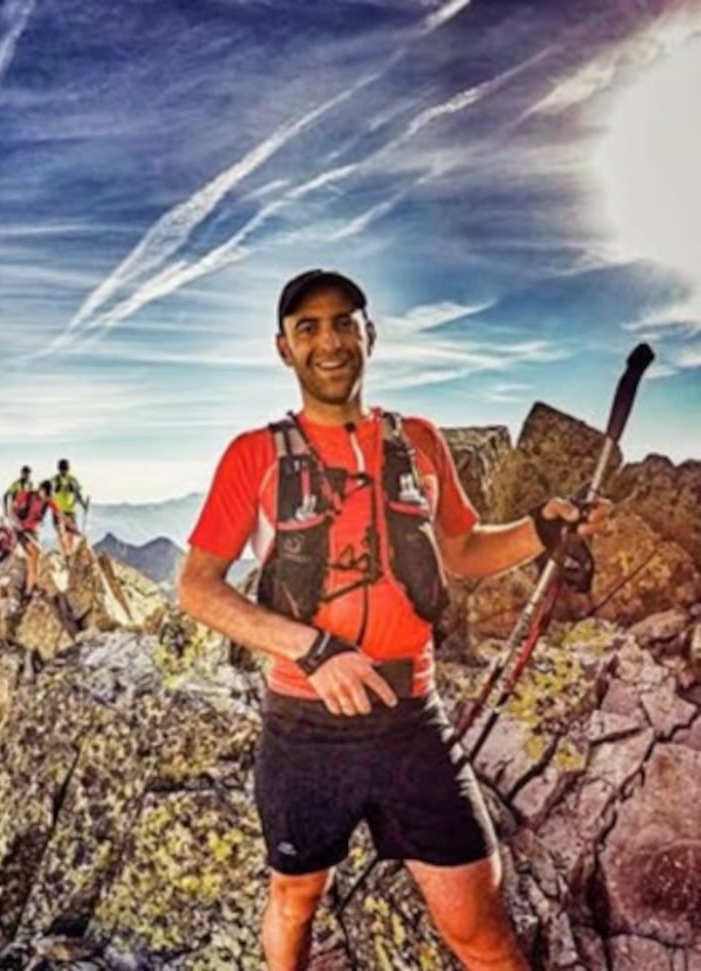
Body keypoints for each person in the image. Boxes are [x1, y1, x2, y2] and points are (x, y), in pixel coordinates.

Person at [176, 269, 608, 971]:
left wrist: (540, 529)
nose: (330, 340)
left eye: (345, 321)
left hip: (413, 720)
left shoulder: (420, 442)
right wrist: (313, 648)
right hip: (303, 726)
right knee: (295, 897)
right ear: (283, 349)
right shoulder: (253, 456)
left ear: (369, 334)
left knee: (479, 922)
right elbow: (197, 587)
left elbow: (463, 550)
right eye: (307, 327)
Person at [11, 479, 61, 596]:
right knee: (34, 553)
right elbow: (11, 510)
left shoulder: (48, 500)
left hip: (34, 531)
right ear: (40, 489)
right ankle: (29, 589)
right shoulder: (26, 495)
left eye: (49, 496)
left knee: (36, 558)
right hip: (21, 530)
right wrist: (17, 523)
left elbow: (59, 513)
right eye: (45, 494)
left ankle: (32, 587)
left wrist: (71, 527)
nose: (46, 498)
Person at [50, 458, 90, 556]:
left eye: (65, 469)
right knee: (61, 533)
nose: (64, 471)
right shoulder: (54, 480)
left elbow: (78, 494)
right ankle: (65, 554)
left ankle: (69, 553)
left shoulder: (73, 480)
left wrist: (83, 504)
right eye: (62, 469)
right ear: (59, 469)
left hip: (70, 511)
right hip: (58, 511)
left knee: (70, 534)